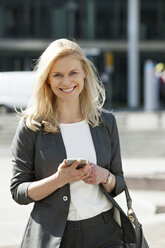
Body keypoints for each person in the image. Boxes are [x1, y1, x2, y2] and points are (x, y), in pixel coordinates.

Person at [10, 38, 136, 248]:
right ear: (47, 80)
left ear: (84, 73)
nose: (66, 82)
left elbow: (119, 182)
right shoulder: (31, 127)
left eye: (73, 73)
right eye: (57, 75)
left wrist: (103, 175)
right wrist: (60, 179)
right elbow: (18, 191)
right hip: (53, 237)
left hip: (105, 232)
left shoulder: (105, 122)